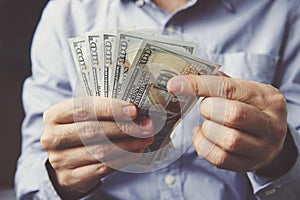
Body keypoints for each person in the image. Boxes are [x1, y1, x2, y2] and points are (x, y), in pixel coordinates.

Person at [15, 0, 300, 199]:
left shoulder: (286, 10)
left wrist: (280, 158)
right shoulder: (65, 14)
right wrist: (60, 178)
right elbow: (31, 177)